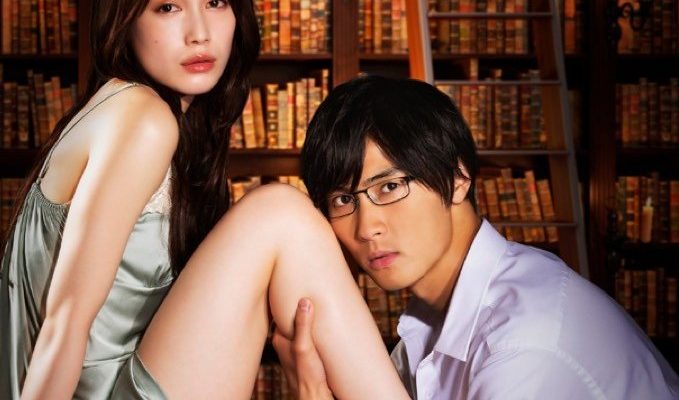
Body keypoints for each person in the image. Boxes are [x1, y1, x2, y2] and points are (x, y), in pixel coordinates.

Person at [0, 1, 411, 399]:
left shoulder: (121, 105)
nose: (199, 33)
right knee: (280, 213)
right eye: (168, 7)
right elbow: (64, 323)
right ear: (124, 19)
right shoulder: (142, 118)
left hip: (122, 380)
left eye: (215, 2)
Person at [274, 75, 679, 399]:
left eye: (390, 187)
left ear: (458, 178)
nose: (366, 228)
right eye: (344, 199)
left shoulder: (523, 345)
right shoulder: (434, 319)